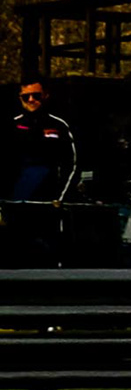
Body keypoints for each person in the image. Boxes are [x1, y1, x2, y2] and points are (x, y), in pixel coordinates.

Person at [5, 79, 70, 265]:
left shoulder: (59, 125)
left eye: (36, 95)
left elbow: (71, 163)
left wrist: (61, 196)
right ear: (20, 99)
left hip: (48, 200)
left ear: (46, 95)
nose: (32, 100)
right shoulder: (10, 125)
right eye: (26, 96)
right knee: (15, 247)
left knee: (47, 250)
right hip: (16, 197)